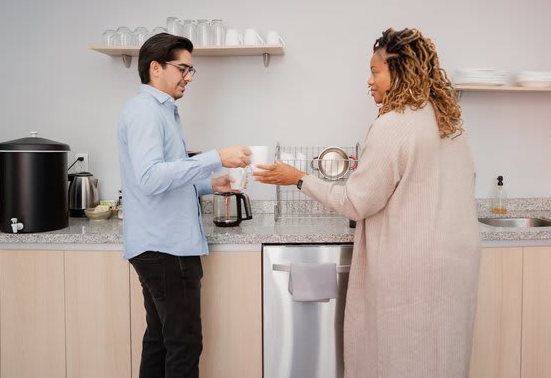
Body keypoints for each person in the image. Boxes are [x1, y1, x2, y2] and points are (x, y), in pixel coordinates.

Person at [254, 27, 481, 377]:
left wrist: (298, 178)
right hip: (454, 265)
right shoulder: (449, 125)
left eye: (376, 71)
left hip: (410, 270)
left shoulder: (394, 124)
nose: (369, 80)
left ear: (400, 71)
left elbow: (356, 202)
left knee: (396, 359)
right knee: (441, 358)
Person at [118, 33, 251, 377]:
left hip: (159, 244)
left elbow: (166, 180)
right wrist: (215, 157)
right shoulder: (146, 112)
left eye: (192, 69)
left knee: (161, 341)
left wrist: (209, 184)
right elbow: (150, 178)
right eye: (183, 68)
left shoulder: (159, 111)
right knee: (183, 343)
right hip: (165, 248)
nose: (189, 77)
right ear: (156, 68)